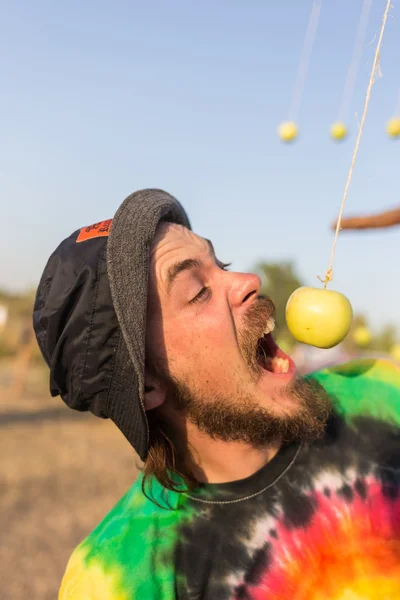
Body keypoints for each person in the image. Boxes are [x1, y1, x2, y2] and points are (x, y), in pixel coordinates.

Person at [33, 189, 400, 600]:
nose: (249, 281)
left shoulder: (381, 393)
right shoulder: (121, 579)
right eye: (197, 291)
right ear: (148, 384)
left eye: (221, 263)